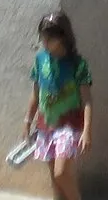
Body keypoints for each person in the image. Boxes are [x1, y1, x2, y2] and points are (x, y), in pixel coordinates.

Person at [26, 10, 94, 200]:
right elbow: (35, 94)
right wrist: (27, 120)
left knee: (61, 173)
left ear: (63, 37)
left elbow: (87, 100)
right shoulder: (40, 60)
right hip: (46, 125)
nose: (44, 42)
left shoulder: (77, 64)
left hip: (69, 125)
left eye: (49, 38)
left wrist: (87, 130)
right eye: (43, 38)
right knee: (55, 183)